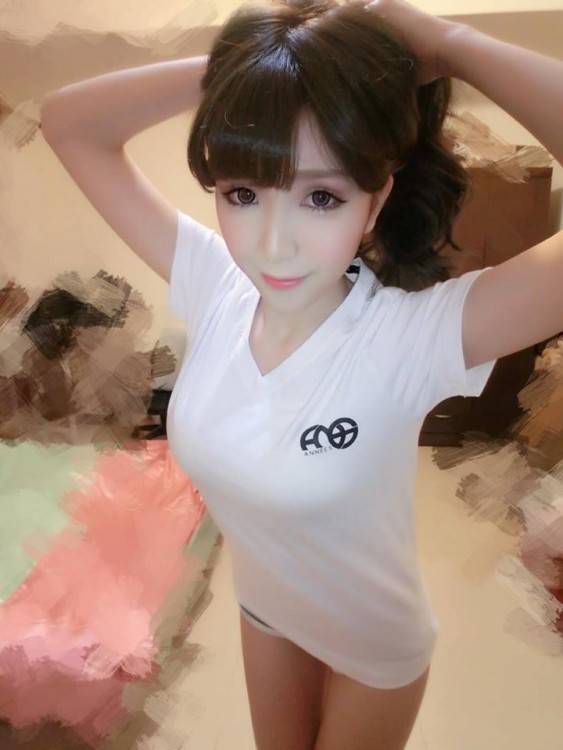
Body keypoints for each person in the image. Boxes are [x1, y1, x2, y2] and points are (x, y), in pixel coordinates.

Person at [40, 0, 563, 748]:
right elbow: (68, 122)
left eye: (321, 197)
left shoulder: (411, 337)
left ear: (374, 202)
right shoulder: (217, 286)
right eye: (242, 194)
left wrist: (451, 43)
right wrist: (262, 72)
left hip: (373, 644)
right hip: (266, 615)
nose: (273, 244)